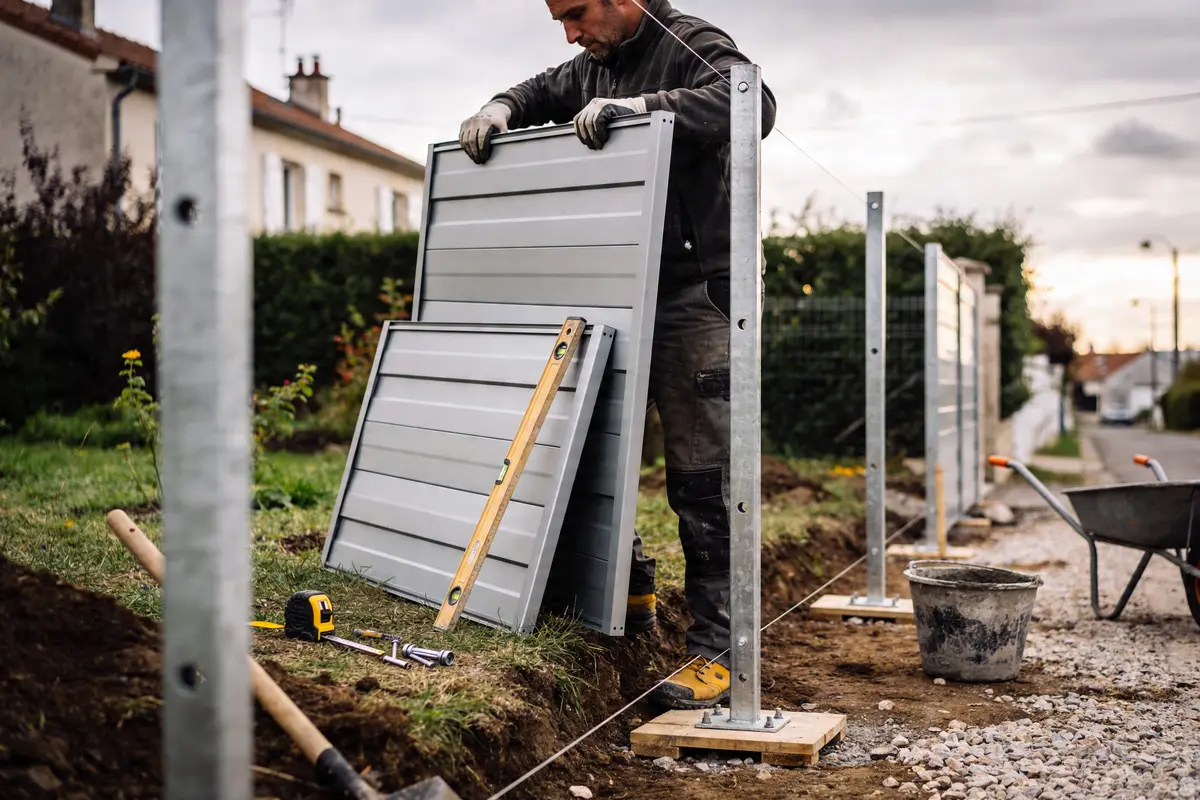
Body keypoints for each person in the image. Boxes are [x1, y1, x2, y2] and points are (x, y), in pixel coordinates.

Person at [457, 0, 776, 710]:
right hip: (618, 294)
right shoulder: (592, 66)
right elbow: (543, 88)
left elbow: (753, 100)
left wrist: (646, 112)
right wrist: (500, 105)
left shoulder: (688, 43)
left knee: (703, 478)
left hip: (700, 297)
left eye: (576, 14)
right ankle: (625, 594)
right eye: (560, 23)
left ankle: (717, 650)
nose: (570, 34)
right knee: (590, 450)